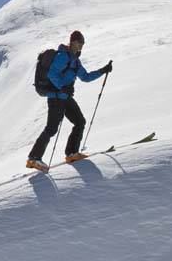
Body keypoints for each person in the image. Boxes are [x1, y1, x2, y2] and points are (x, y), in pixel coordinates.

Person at [26, 30, 111, 171]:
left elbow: (86, 77)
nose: (81, 45)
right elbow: (51, 73)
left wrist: (103, 70)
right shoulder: (62, 56)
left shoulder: (75, 61)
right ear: (72, 42)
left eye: (83, 43)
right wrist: (63, 87)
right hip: (56, 98)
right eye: (79, 42)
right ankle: (33, 158)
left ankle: (72, 153)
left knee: (80, 121)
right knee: (51, 129)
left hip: (65, 98)